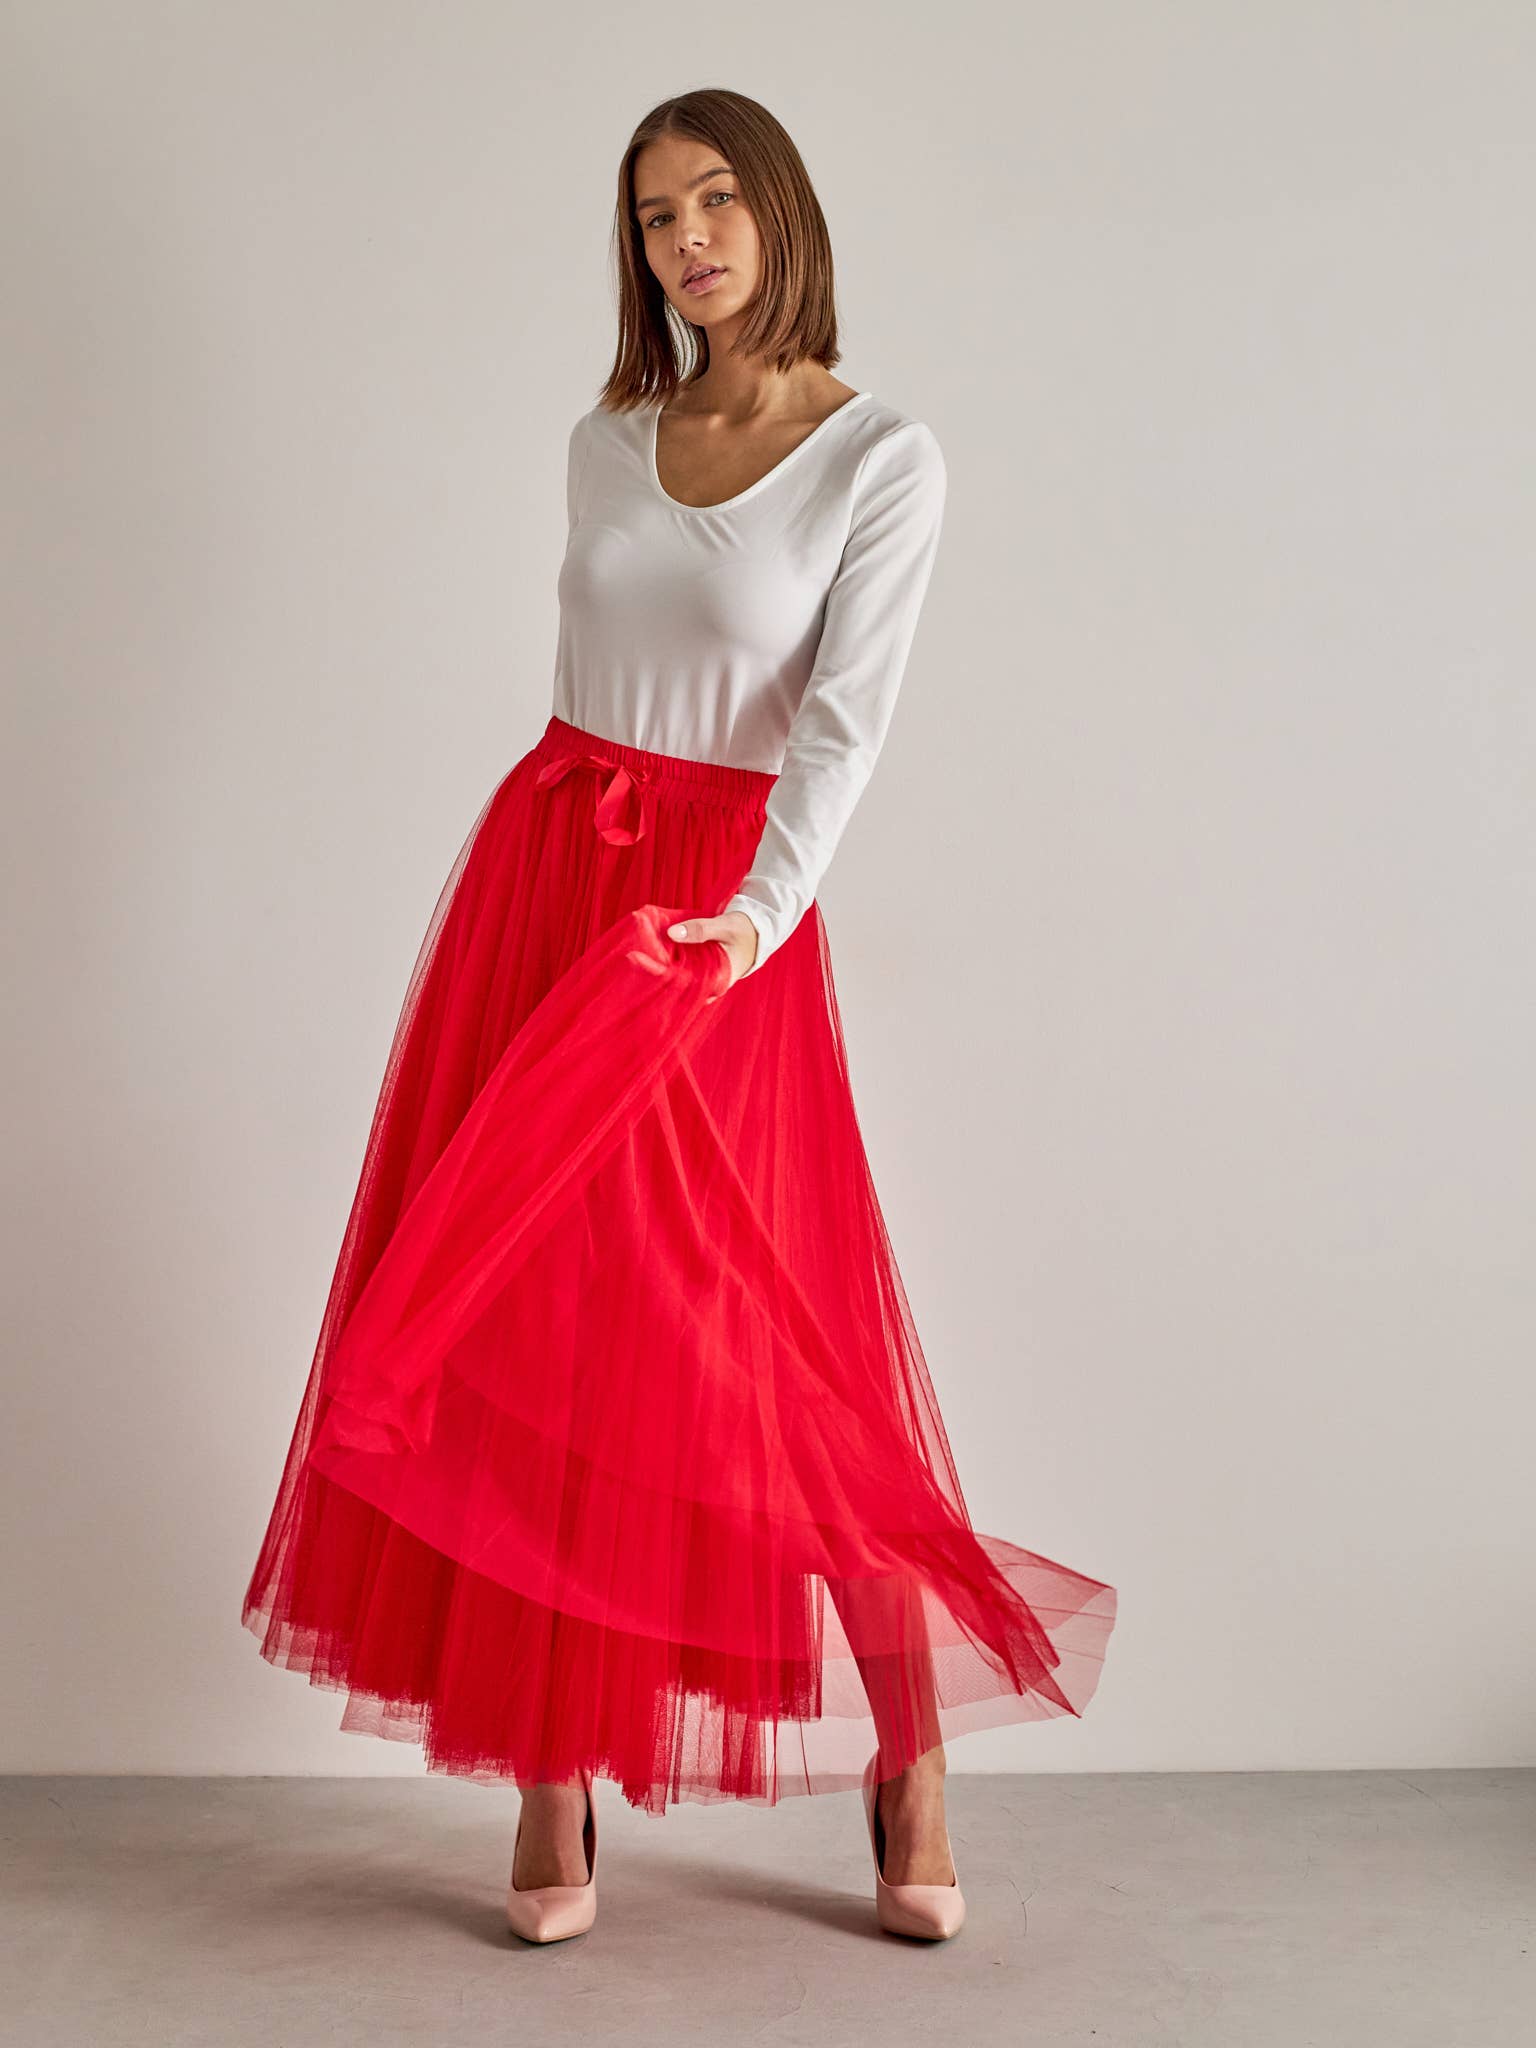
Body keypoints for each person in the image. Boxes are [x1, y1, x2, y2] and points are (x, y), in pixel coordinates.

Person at [241, 87, 1117, 1947]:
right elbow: (592, 670)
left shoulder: (880, 455)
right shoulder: (607, 440)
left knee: (777, 1349)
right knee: (530, 1320)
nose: (689, 240)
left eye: (718, 200)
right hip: (545, 881)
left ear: (781, 212)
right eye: (655, 217)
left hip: (715, 923)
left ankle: (911, 1754)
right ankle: (549, 1767)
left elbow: (841, 730)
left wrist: (746, 929)